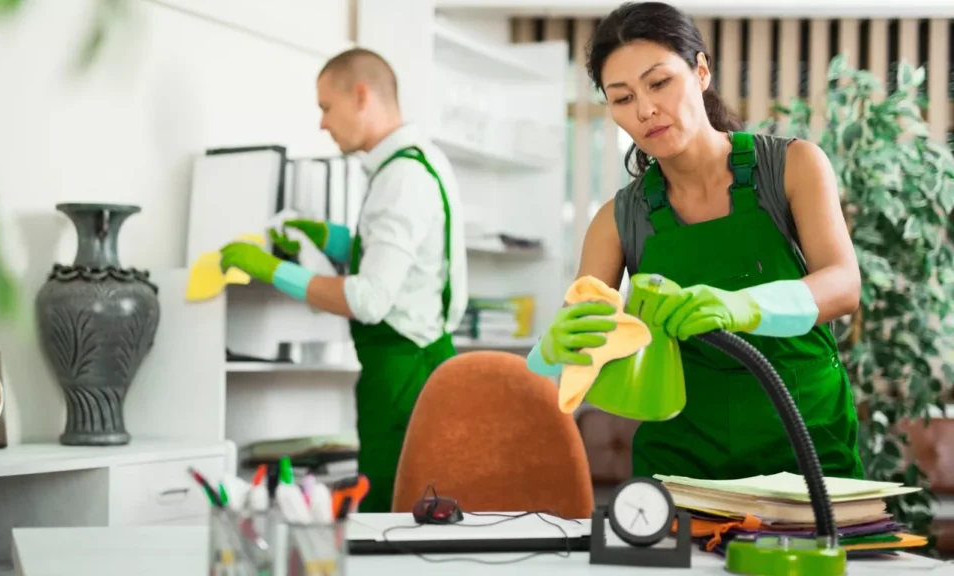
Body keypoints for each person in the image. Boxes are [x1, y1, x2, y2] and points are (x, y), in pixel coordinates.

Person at [526, 2, 864, 481]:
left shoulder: (792, 167)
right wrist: (552, 348)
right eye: (622, 99)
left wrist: (741, 306)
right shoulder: (618, 219)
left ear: (701, 71)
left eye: (659, 83)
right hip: (683, 464)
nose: (645, 110)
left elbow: (844, 284)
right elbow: (585, 331)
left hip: (805, 446)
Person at [187, 48, 468, 511]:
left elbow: (371, 298)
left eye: (325, 107)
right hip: (413, 364)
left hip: (403, 375)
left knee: (390, 511)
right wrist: (333, 239)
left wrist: (274, 270)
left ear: (361, 96)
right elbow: (404, 254)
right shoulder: (421, 161)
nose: (321, 123)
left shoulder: (401, 178)